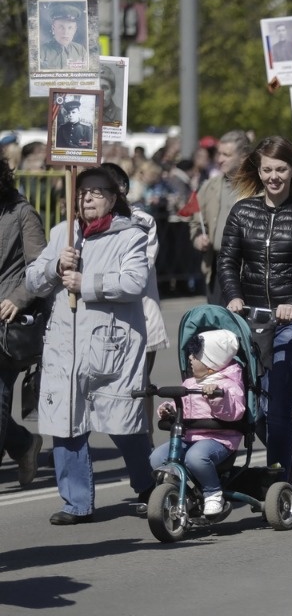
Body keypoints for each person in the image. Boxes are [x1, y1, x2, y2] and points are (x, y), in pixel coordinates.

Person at [25, 166, 154, 525]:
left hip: (109, 346)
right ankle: (76, 502)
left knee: (120, 422)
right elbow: (34, 281)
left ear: (113, 199)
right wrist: (55, 266)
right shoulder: (60, 235)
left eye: (97, 192)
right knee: (65, 421)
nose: (88, 198)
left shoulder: (130, 235)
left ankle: (148, 484)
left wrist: (87, 282)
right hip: (65, 345)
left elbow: (134, 283)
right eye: (82, 192)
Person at [218, 136, 292, 476]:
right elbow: (228, 261)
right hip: (249, 321)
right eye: (267, 169)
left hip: (290, 325)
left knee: (279, 405)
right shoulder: (243, 211)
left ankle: (278, 478)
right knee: (252, 405)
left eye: (281, 169)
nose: (273, 177)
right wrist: (233, 295)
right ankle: (290, 462)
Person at [102, 163, 169, 443]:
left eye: (102, 189)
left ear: (122, 190)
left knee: (140, 383)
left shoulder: (142, 221)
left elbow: (136, 272)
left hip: (141, 315)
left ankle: (146, 444)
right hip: (104, 319)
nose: (93, 197)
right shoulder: (84, 225)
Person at [149, 330, 245, 516]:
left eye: (196, 355)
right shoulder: (190, 383)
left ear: (211, 364)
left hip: (219, 439)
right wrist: (168, 408)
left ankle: (213, 492)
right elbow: (182, 404)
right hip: (190, 436)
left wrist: (217, 398)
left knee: (196, 457)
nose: (190, 358)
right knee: (157, 457)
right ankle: (180, 493)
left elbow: (235, 412)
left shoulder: (228, 385)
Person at [0, 156, 46, 487]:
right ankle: (23, 444)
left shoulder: (21, 212)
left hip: (4, 325)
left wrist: (17, 298)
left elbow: (40, 267)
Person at [190, 130, 251, 304]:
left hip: (248, 269)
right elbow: (196, 223)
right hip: (216, 267)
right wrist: (198, 239)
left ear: (244, 157)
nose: (220, 159)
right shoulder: (209, 187)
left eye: (227, 154)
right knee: (217, 326)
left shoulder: (258, 189)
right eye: (219, 154)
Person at [39, 3, 87, 70]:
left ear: (75, 30)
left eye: (70, 28)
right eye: (61, 27)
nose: (65, 32)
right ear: (53, 29)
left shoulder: (80, 50)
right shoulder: (42, 52)